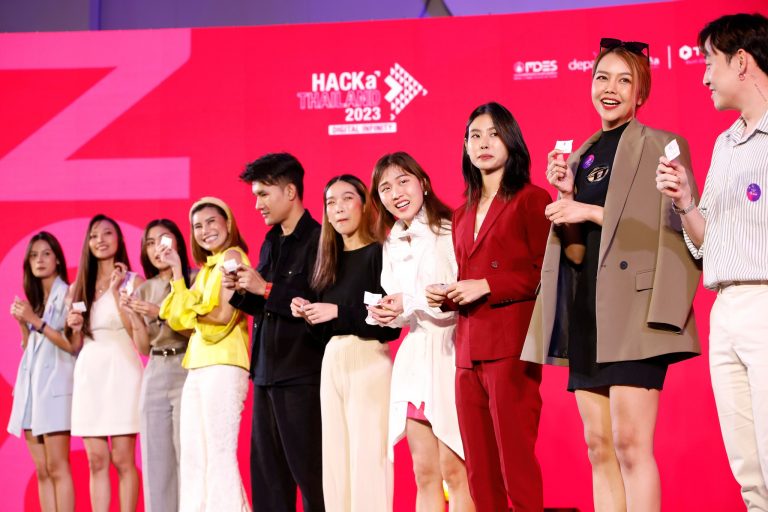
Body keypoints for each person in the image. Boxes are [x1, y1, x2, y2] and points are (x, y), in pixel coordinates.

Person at [523, 39, 701, 511]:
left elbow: (672, 228)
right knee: (599, 447)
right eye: (602, 77)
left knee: (630, 445)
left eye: (625, 80)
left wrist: (587, 209)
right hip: (589, 311)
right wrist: (567, 197)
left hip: (637, 314)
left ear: (642, 92)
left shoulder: (661, 145)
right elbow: (577, 251)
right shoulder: (581, 156)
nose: (611, 88)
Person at [656, 13, 768, 510]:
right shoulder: (725, 143)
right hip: (725, 307)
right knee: (747, 466)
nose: (704, 77)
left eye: (709, 62)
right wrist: (685, 202)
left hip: (765, 301)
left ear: (741, 61)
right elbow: (709, 244)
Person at [427, 102, 550, 511]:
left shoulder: (532, 199)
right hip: (467, 352)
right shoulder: (461, 212)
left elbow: (546, 274)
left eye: (493, 134)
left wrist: (487, 285)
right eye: (475, 136)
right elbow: (470, 276)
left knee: (515, 463)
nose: (483, 143)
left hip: (510, 348)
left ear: (511, 141)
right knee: (479, 470)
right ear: (465, 146)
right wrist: (447, 294)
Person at [369, 152, 474, 512]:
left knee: (455, 471)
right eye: (385, 188)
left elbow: (454, 297)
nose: (396, 193)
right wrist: (385, 313)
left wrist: (408, 302)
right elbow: (403, 311)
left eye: (403, 181)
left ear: (423, 184)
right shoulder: (391, 242)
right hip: (414, 362)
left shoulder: (450, 230)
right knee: (424, 472)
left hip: (449, 355)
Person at [290, 174, 400, 512]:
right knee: (336, 459)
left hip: (369, 360)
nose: (338, 208)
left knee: (368, 457)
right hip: (332, 361)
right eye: (330, 202)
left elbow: (389, 325)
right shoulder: (328, 261)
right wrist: (308, 314)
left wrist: (338, 311)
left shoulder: (380, 254)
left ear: (364, 205)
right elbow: (324, 332)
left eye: (347, 199)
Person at [225, 153, 325, 512]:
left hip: (301, 377)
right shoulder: (271, 241)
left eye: (263, 194)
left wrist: (265, 289)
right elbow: (265, 305)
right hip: (265, 375)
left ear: (291, 191)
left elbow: (317, 303)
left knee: (312, 478)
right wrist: (241, 289)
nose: (257, 205)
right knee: (268, 483)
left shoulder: (319, 239)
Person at [159, 197, 251, 511]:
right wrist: (176, 270)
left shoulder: (233, 256)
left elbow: (223, 315)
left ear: (228, 223)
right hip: (198, 365)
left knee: (219, 453)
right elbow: (179, 320)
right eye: (197, 226)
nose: (205, 230)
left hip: (224, 364)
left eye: (212, 221)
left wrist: (193, 310)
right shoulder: (204, 271)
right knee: (195, 454)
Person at [66, 214, 144, 512]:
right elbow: (74, 345)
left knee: (123, 459)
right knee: (96, 460)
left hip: (122, 370)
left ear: (119, 240)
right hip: (89, 374)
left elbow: (139, 333)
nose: (100, 240)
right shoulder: (78, 287)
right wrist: (74, 328)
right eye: (94, 235)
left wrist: (116, 291)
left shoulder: (132, 281)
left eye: (107, 233)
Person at [120, 219, 192, 512]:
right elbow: (143, 348)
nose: (157, 249)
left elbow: (196, 331)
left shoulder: (194, 279)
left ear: (178, 242)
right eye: (150, 243)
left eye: (163, 240)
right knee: (155, 458)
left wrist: (160, 312)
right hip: (156, 369)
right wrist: (134, 316)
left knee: (188, 455)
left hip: (187, 366)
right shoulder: (144, 288)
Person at [7, 232, 75, 512]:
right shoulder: (35, 300)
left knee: (58, 467)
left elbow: (72, 344)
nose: (40, 260)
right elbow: (29, 347)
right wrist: (23, 324)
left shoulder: (68, 294)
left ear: (57, 259)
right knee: (43, 470)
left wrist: (34, 321)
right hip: (32, 392)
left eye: (46, 254)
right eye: (34, 256)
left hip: (55, 390)